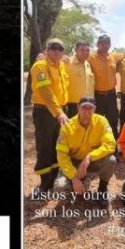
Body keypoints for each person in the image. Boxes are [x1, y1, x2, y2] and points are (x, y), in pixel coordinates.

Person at [54, 96, 116, 200]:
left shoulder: (102, 121)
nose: (87, 111)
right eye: (84, 107)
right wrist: (74, 177)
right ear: (78, 108)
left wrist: (89, 157)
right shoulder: (67, 126)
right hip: (73, 163)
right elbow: (61, 155)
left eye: (90, 108)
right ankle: (77, 186)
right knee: (60, 188)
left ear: (95, 109)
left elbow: (111, 144)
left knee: (111, 160)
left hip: (91, 162)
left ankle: (102, 190)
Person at [31, 38, 69, 194]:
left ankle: (54, 179)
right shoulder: (40, 66)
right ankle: (44, 185)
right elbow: (45, 92)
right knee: (45, 147)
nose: (57, 51)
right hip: (45, 112)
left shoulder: (62, 64)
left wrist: (62, 111)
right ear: (47, 50)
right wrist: (58, 112)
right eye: (53, 48)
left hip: (61, 110)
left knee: (57, 145)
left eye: (60, 48)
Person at [87, 35, 125, 139]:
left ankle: (114, 147)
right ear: (98, 44)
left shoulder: (114, 56)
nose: (105, 45)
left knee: (113, 121)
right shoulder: (91, 57)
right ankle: (97, 145)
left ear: (110, 44)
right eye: (102, 43)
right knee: (96, 122)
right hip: (97, 96)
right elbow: (77, 57)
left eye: (107, 43)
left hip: (111, 95)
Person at [64, 41, 94, 118]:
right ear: (76, 50)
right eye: (82, 50)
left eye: (87, 50)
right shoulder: (67, 62)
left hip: (88, 104)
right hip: (73, 105)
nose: (85, 52)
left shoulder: (87, 64)